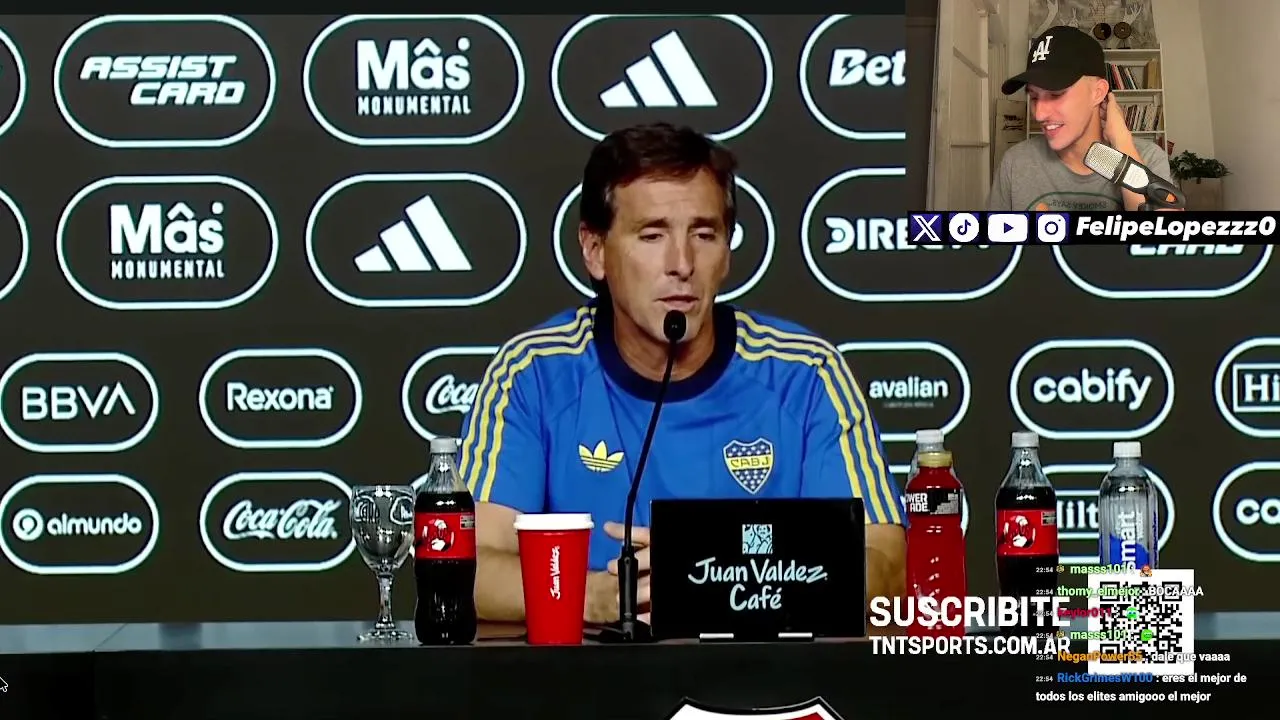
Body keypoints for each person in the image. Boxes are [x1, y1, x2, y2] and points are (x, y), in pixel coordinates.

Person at [456, 122, 906, 626]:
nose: (682, 264)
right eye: (652, 235)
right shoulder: (534, 372)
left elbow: (886, 570)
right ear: (595, 250)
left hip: (763, 672)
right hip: (592, 674)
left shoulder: (805, 373)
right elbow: (467, 568)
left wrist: (718, 570)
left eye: (704, 234)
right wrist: (589, 596)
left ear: (726, 252)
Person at [988, 25, 1176, 212]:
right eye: (1034, 97)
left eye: (1056, 94)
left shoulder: (1148, 158)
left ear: (1098, 92)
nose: (1039, 114)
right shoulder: (1015, 162)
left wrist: (1123, 144)